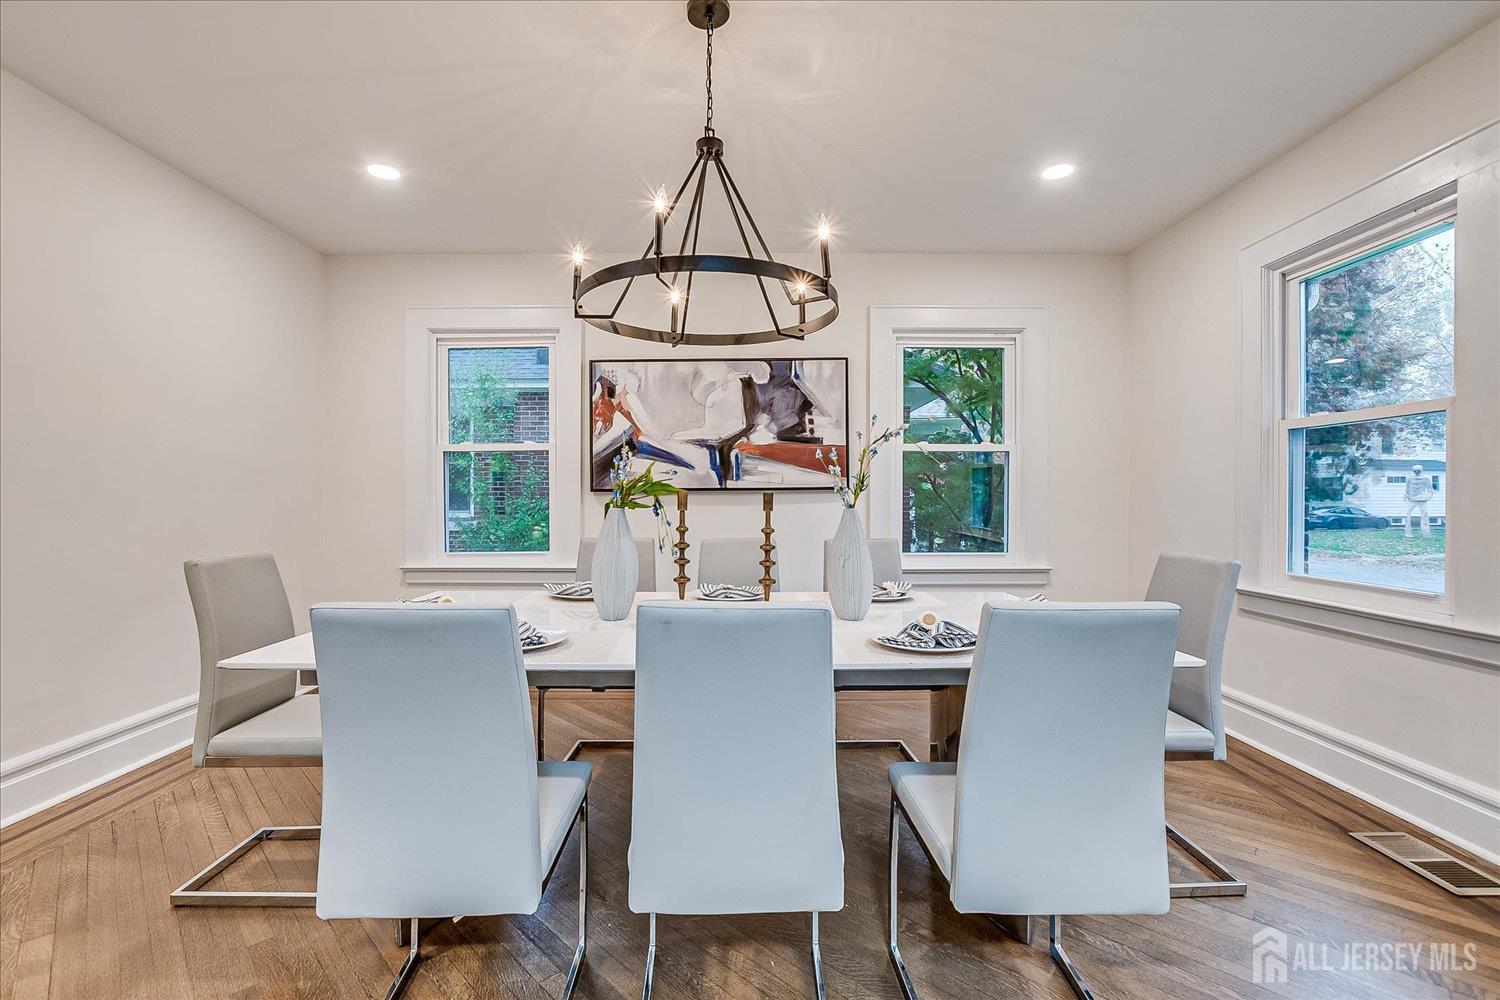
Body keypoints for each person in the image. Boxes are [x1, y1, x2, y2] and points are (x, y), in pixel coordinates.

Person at [1403, 464, 1434, 537]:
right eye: (1415, 470)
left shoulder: (1425, 478)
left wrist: (1428, 497)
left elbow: (1430, 490)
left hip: (1422, 499)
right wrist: (1405, 495)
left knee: (1425, 515)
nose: (1417, 472)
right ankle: (1408, 533)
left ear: (1421, 470)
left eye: (1418, 470)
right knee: (1407, 515)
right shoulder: (1410, 478)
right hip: (1411, 499)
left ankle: (1426, 534)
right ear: (1413, 471)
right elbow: (1407, 488)